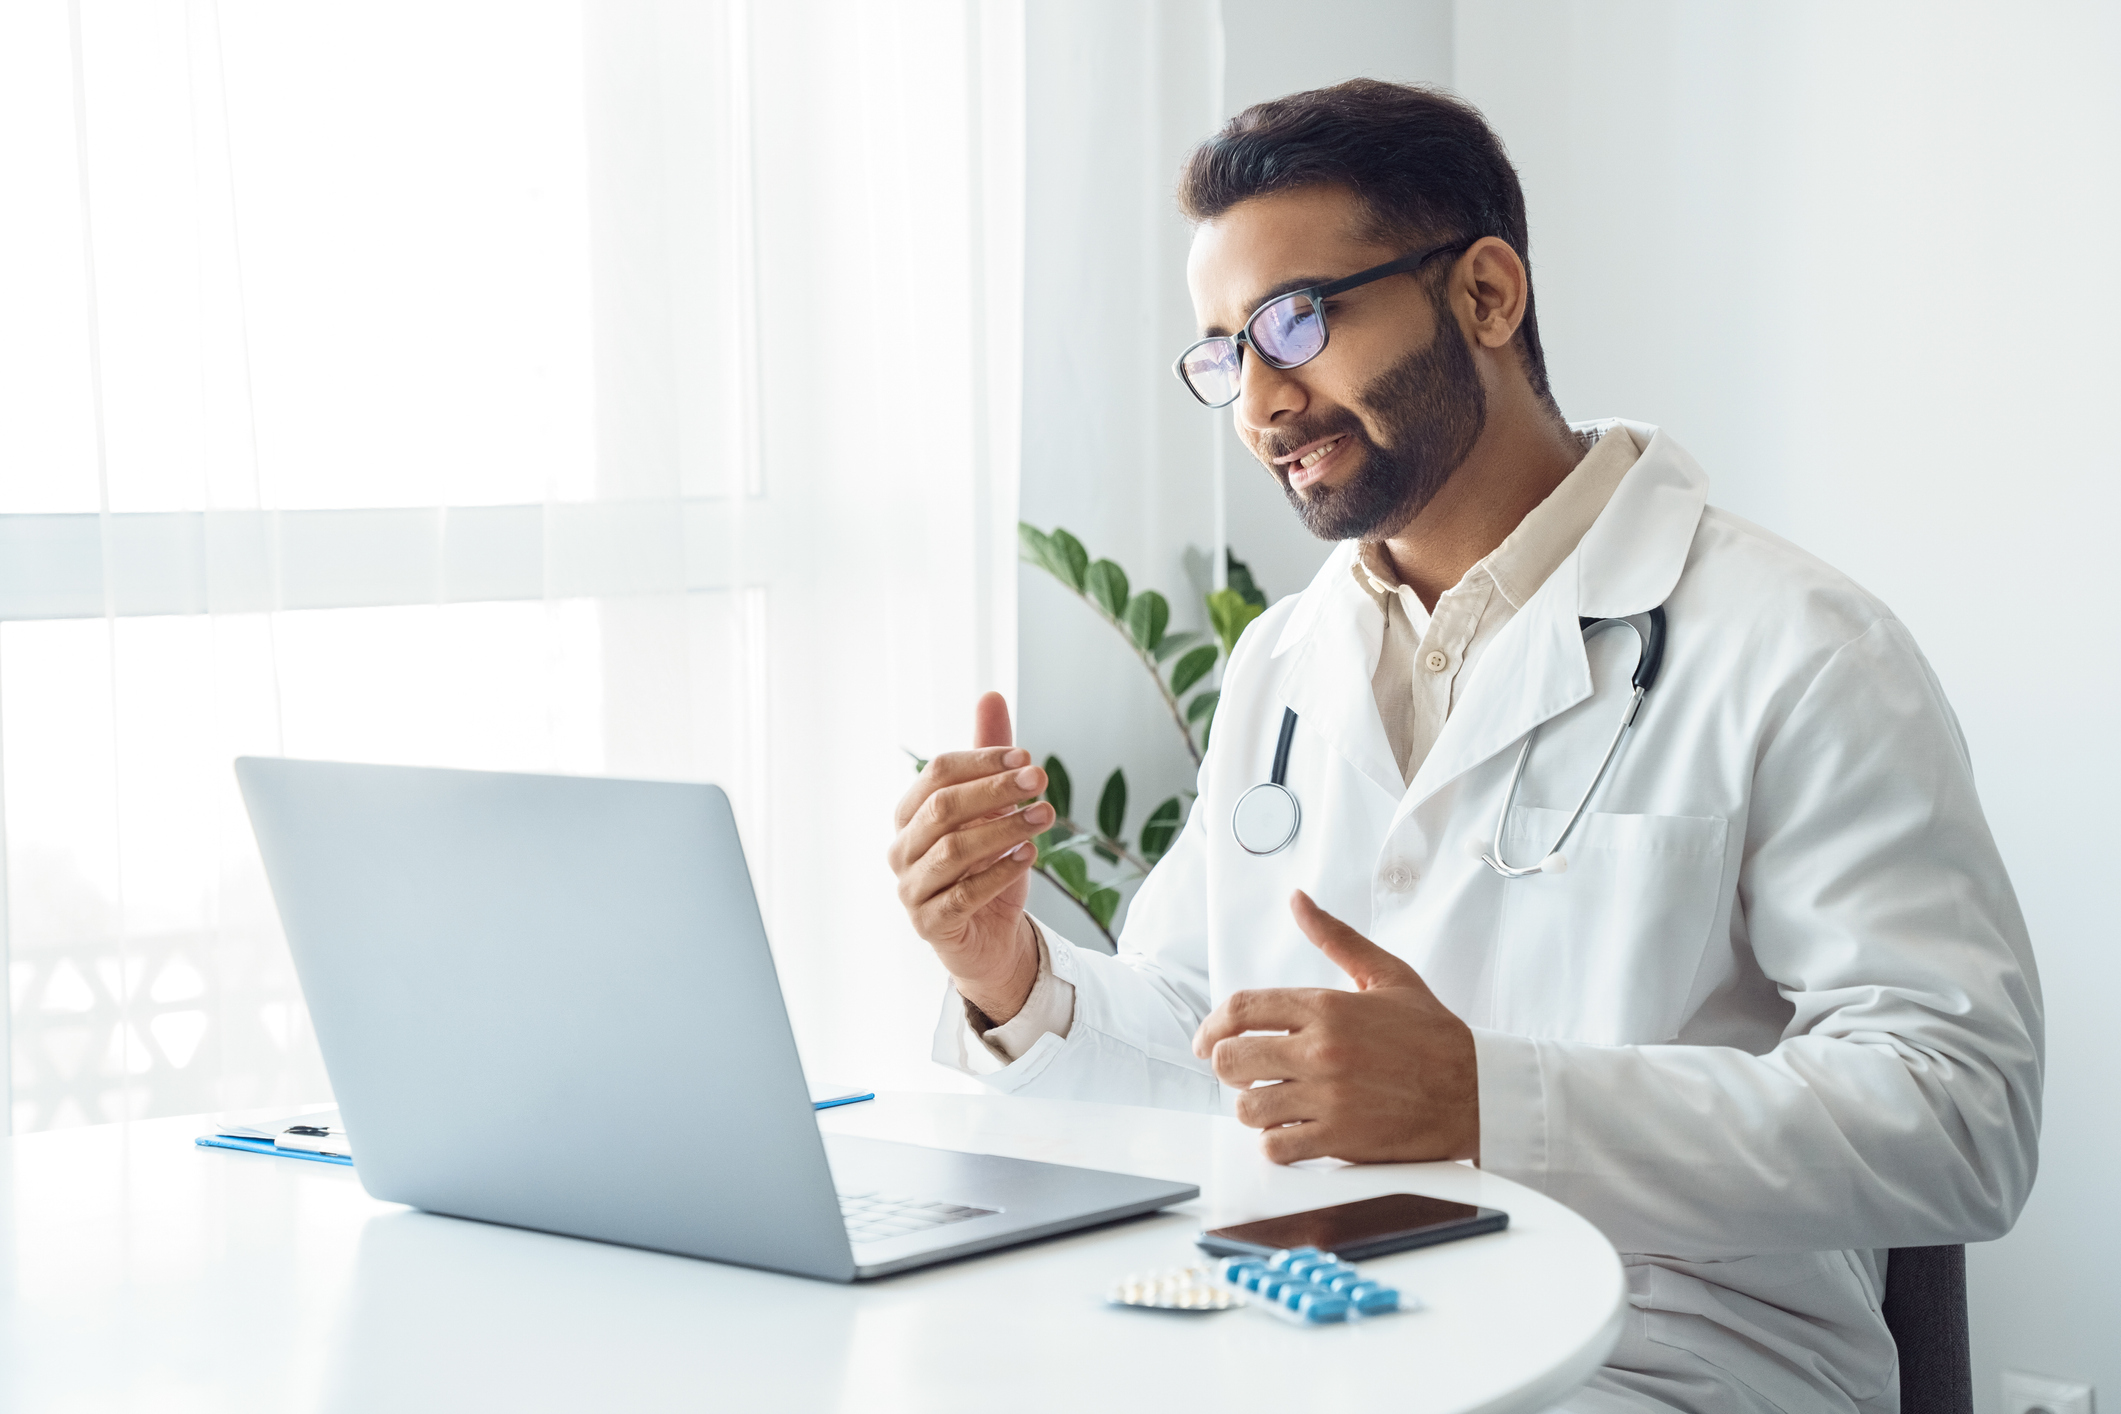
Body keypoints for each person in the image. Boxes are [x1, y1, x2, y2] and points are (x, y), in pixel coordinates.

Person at [886, 80, 2040, 1413]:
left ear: (1486, 296)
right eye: (1223, 352)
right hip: (1320, 1322)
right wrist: (1010, 974)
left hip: (1668, 1358)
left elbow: (1962, 1118)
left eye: (1296, 321)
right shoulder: (1284, 662)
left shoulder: (1799, 647)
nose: (1259, 401)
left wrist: (1495, 1098)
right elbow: (1203, 1043)